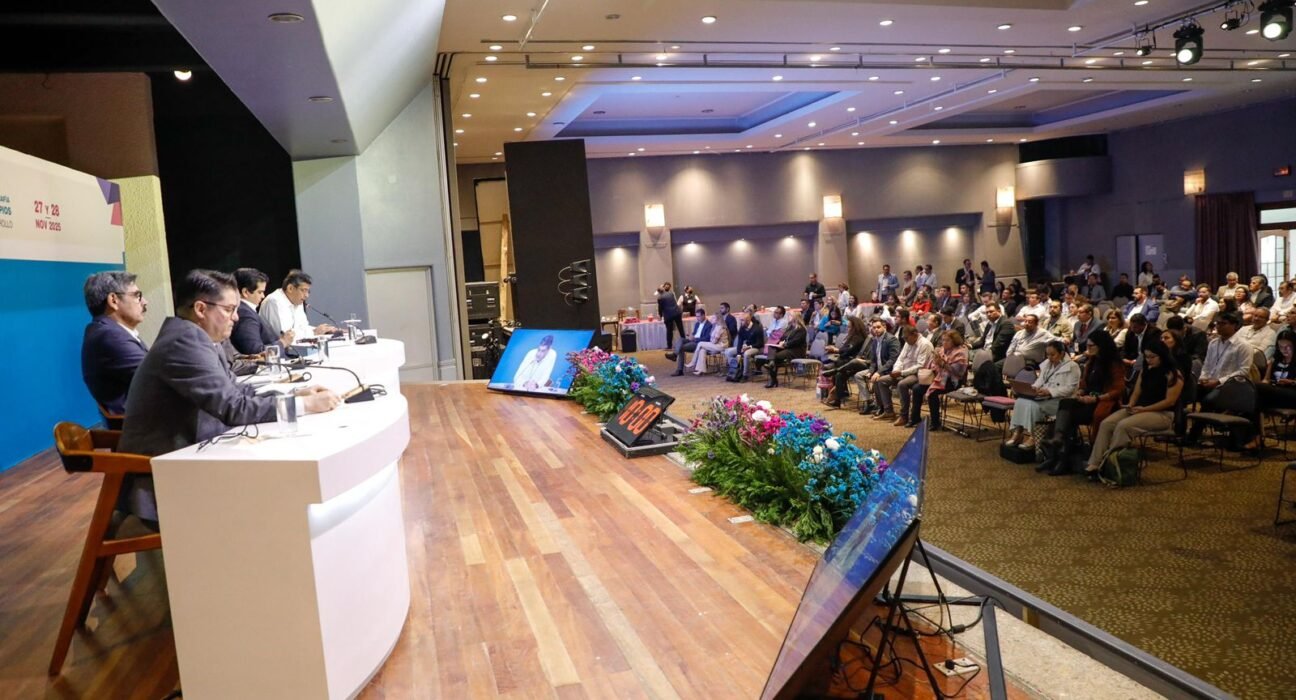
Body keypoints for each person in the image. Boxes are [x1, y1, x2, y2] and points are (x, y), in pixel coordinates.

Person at [118, 270, 342, 522]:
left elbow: (238, 391)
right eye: (229, 310)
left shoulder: (197, 337)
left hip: (191, 458)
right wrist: (303, 405)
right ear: (201, 309)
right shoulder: (184, 342)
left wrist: (294, 393)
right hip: (163, 482)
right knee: (278, 494)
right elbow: (233, 408)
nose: (236, 317)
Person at [1084, 339, 1183, 479]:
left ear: (1162, 356)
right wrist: (1130, 404)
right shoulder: (1145, 370)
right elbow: (1136, 393)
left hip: (1163, 414)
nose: (1149, 360)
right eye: (1146, 357)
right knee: (1107, 423)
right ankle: (1094, 463)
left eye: (1152, 357)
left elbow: (1169, 401)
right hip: (1140, 409)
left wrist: (1144, 409)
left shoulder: (1174, 374)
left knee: (1123, 426)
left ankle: (1108, 462)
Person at [1043, 330, 1126, 475]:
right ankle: (1059, 446)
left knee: (1069, 418)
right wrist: (1081, 392)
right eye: (1087, 345)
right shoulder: (1092, 361)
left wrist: (1096, 398)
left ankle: (1060, 456)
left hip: (1104, 403)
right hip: (1089, 400)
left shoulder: (1114, 364)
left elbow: (1118, 390)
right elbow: (1084, 384)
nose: (1088, 348)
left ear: (1101, 346)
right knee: (1065, 404)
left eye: (1091, 346)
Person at [80, 271, 150, 415]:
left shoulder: (105, 331)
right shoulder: (110, 336)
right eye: (137, 295)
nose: (144, 301)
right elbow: (160, 376)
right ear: (113, 300)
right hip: (141, 423)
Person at [1005, 340, 1080, 450]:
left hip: (1061, 401)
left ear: (1062, 353)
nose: (1049, 357)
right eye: (1047, 354)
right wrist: (1034, 388)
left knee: (1033, 406)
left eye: (1052, 355)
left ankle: (1033, 436)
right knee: (1020, 401)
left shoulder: (1073, 367)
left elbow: (1070, 389)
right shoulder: (1047, 365)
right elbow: (1040, 381)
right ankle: (1018, 432)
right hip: (1045, 397)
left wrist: (1049, 391)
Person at [875, 325, 933, 425]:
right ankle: (888, 411)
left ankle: (904, 416)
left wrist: (901, 373)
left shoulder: (925, 344)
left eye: (906, 338)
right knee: (881, 380)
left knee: (902, 384)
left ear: (915, 334)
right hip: (903, 372)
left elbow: (920, 366)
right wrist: (896, 370)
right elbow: (900, 359)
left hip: (919, 374)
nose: (905, 340)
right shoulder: (908, 342)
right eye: (904, 338)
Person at [910, 330, 968, 430]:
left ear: (954, 341)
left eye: (947, 340)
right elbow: (934, 365)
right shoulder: (942, 350)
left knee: (933, 394)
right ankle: (915, 419)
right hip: (938, 377)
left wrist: (942, 364)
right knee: (916, 389)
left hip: (952, 381)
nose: (944, 342)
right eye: (943, 340)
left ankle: (935, 422)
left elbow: (958, 372)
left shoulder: (960, 353)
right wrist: (935, 362)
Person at [230, 267, 294, 355]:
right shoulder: (246, 315)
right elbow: (256, 351)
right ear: (245, 292)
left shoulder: (245, 311)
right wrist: (283, 342)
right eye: (260, 292)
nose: (263, 296)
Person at [1196, 311, 1252, 410]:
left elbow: (1243, 371)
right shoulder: (1213, 343)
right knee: (1186, 393)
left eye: (1223, 324)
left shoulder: (1243, 346)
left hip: (1230, 385)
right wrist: (1203, 378)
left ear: (1234, 325)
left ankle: (1202, 420)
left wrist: (1218, 381)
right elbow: (1207, 364)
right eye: (1217, 323)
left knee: (1208, 401)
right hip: (1210, 381)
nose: (1219, 326)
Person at [260, 269, 335, 338]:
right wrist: (314, 332)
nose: (306, 295)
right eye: (303, 290)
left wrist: (324, 330)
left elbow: (303, 327)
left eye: (308, 291)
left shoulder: (297, 301)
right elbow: (284, 335)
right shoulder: (274, 301)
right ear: (290, 288)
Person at [855, 319, 901, 416]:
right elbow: (873, 361)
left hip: (890, 370)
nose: (876, 329)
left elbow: (892, 360)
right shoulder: (875, 340)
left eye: (878, 327)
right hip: (878, 369)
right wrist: (870, 371)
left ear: (884, 327)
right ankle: (870, 402)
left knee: (877, 379)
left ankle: (883, 407)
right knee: (859, 375)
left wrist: (878, 372)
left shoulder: (892, 339)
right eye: (874, 327)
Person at [823, 315, 869, 408]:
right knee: (838, 374)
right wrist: (838, 350)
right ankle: (839, 399)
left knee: (838, 371)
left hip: (855, 363)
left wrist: (836, 350)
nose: (847, 329)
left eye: (849, 327)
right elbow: (844, 350)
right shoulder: (851, 337)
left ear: (855, 327)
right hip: (846, 361)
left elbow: (847, 351)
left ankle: (838, 399)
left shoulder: (858, 338)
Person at [761, 313, 807, 388]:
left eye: (790, 316)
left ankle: (773, 379)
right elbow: (782, 337)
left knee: (775, 357)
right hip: (787, 348)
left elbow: (796, 341)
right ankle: (772, 365)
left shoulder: (801, 329)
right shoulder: (790, 327)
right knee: (771, 348)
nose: (788, 317)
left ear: (795, 318)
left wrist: (785, 344)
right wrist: (781, 342)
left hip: (796, 350)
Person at [724, 307, 765, 382]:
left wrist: (749, 347)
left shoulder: (757, 328)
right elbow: (740, 341)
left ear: (748, 321)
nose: (740, 322)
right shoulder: (742, 328)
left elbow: (760, 343)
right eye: (740, 320)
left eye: (742, 320)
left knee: (746, 354)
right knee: (729, 352)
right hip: (746, 346)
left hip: (756, 347)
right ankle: (735, 370)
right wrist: (738, 353)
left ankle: (745, 375)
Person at [1259, 331, 1296, 412]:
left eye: (1288, 346)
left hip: (1292, 393)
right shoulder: (1274, 360)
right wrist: (1264, 384)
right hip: (1275, 391)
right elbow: (1266, 379)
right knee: (1255, 390)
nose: (1284, 350)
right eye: (1281, 347)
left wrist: (1291, 382)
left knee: (1258, 389)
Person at [669, 309, 711, 376]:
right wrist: (691, 335)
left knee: (681, 348)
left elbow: (707, 338)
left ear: (703, 315)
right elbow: (694, 333)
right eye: (696, 316)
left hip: (698, 343)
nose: (697, 318)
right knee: (681, 339)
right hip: (693, 340)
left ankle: (679, 369)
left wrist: (695, 339)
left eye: (699, 316)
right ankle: (675, 355)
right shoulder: (697, 324)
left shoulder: (709, 325)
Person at [656, 282, 685, 348]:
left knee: (669, 331)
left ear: (659, 292)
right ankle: (684, 342)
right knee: (680, 329)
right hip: (677, 312)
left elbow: (660, 308)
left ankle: (669, 346)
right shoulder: (671, 293)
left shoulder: (660, 298)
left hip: (669, 315)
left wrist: (660, 316)